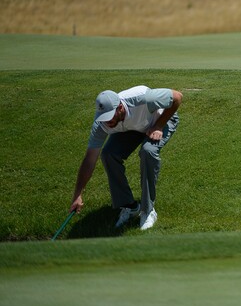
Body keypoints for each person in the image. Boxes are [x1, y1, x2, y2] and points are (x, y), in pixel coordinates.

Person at [70, 86, 182, 231]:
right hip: (134, 127)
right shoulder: (101, 124)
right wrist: (78, 194)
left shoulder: (144, 99)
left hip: (159, 119)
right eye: (104, 118)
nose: (107, 122)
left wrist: (159, 125)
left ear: (120, 107)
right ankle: (130, 206)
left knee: (147, 151)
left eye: (110, 116)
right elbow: (90, 159)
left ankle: (148, 210)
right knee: (108, 154)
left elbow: (177, 97)